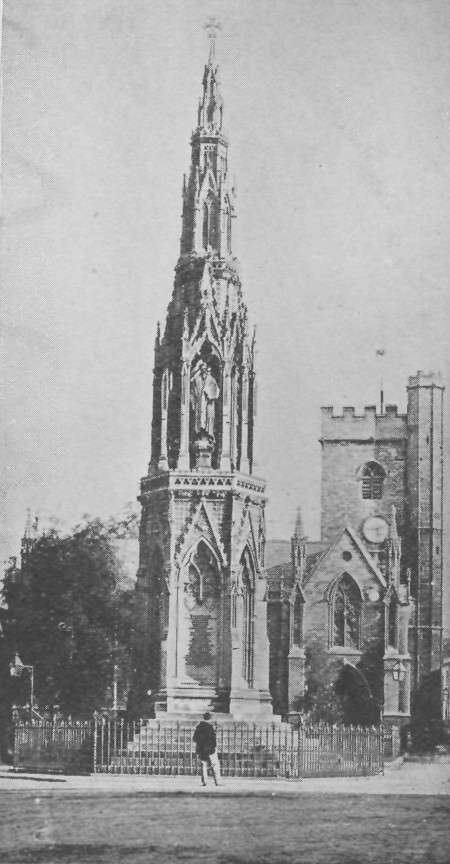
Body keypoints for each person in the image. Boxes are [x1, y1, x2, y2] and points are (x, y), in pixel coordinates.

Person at [193, 712, 222, 786]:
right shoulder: (210, 727)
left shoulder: (199, 727)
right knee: (215, 766)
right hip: (210, 750)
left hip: (202, 749)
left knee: (203, 765)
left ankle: (204, 782)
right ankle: (217, 781)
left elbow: (195, 738)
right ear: (210, 718)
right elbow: (213, 740)